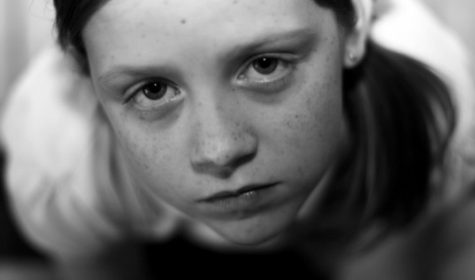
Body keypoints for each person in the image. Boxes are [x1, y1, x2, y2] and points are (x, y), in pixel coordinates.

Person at [1, 0, 474, 279]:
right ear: (86, 79)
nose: (220, 150)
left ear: (353, 30)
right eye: (153, 90)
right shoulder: (60, 157)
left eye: (265, 65)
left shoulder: (434, 115)